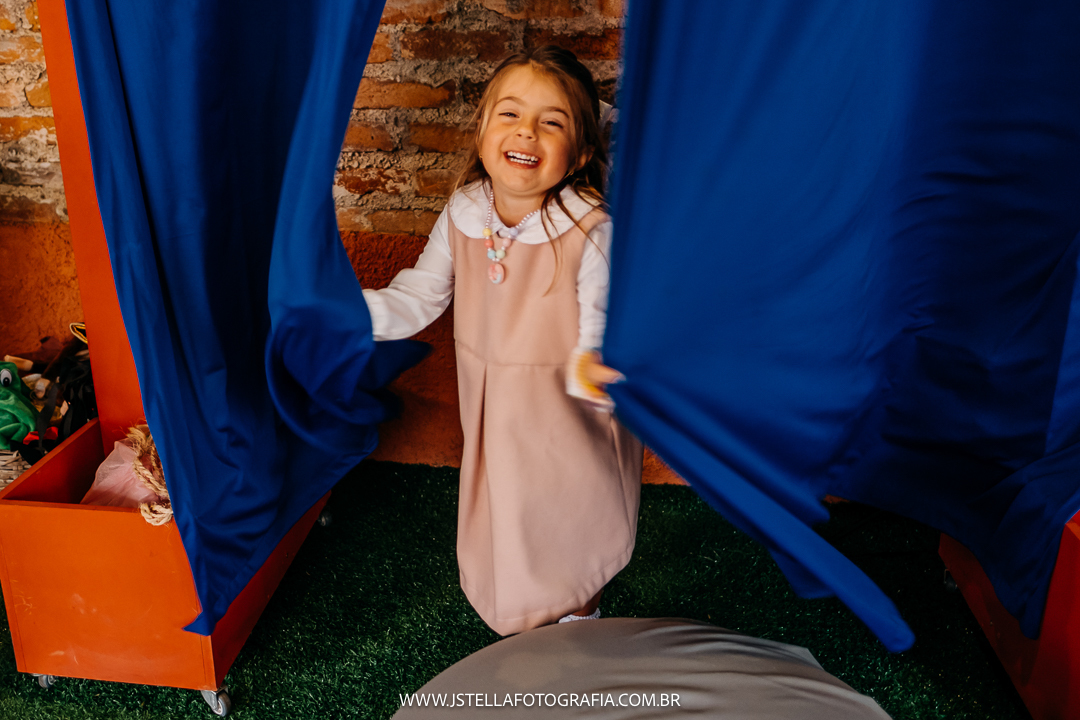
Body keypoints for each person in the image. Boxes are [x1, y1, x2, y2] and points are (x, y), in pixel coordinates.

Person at [363, 46, 642, 636]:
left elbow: (600, 324)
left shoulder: (591, 229)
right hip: (496, 409)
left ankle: (582, 616)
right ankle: (524, 620)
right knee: (509, 514)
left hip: (566, 409)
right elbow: (419, 296)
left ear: (581, 152)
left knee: (570, 513)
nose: (527, 132)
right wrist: (342, 313)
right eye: (509, 114)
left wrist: (594, 366)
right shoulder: (465, 210)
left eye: (552, 121)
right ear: (484, 129)